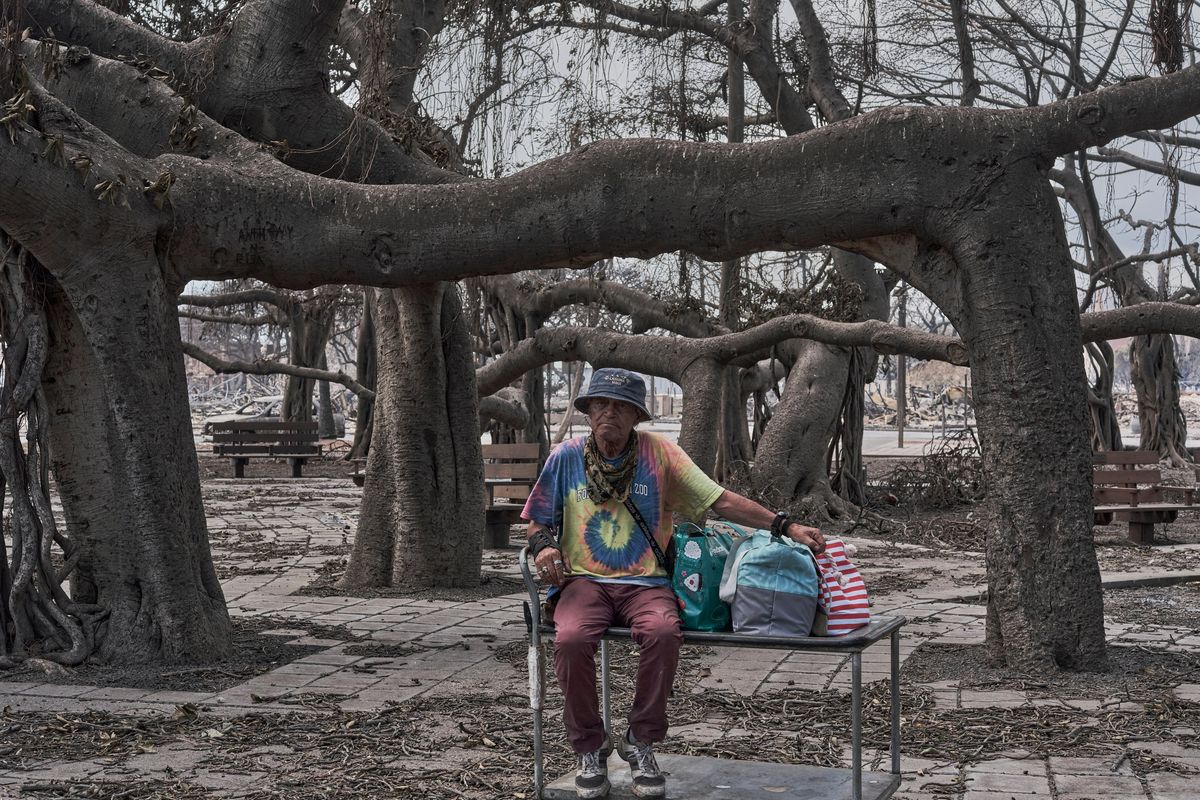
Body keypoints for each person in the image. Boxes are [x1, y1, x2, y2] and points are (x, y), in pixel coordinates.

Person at [522, 367, 825, 799]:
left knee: (664, 633)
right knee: (569, 639)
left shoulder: (659, 453)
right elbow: (536, 521)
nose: (611, 414)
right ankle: (590, 747)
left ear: (637, 416)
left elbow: (719, 500)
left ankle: (641, 742)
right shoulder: (566, 456)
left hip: (647, 581)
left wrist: (785, 525)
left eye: (622, 407)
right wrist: (545, 548)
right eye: (602, 404)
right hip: (584, 582)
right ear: (588, 412)